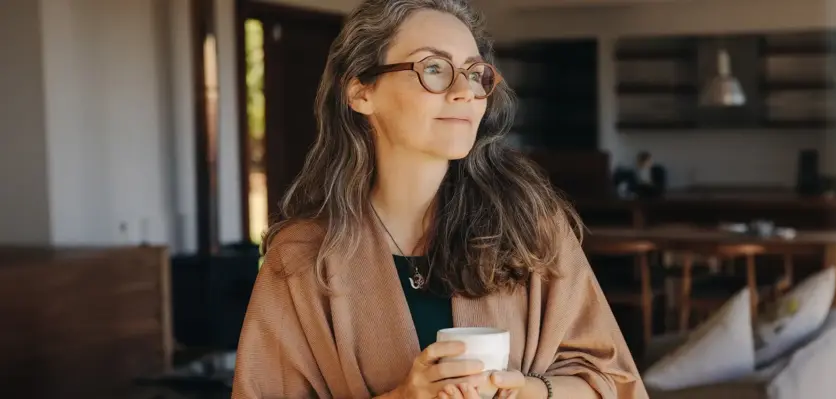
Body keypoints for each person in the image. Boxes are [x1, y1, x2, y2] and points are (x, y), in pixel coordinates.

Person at [231, 1, 646, 398]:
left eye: (474, 72)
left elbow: (612, 381)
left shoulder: (530, 226)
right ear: (360, 93)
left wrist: (529, 391)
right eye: (434, 68)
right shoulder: (303, 257)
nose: (465, 91)